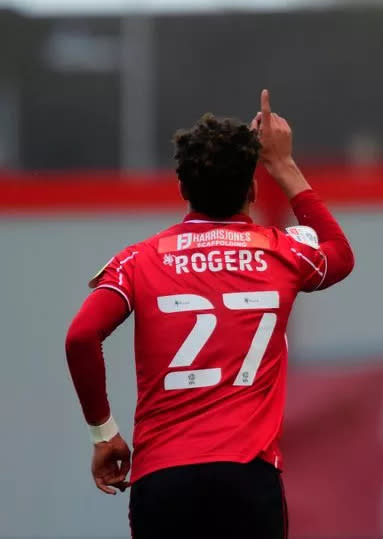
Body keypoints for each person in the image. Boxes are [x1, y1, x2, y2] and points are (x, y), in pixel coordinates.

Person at [64, 89, 354, 538]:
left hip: (164, 480)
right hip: (248, 479)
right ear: (253, 188)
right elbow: (339, 254)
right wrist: (284, 165)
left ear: (182, 188)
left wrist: (104, 434)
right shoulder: (284, 252)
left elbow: (81, 336)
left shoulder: (139, 260)